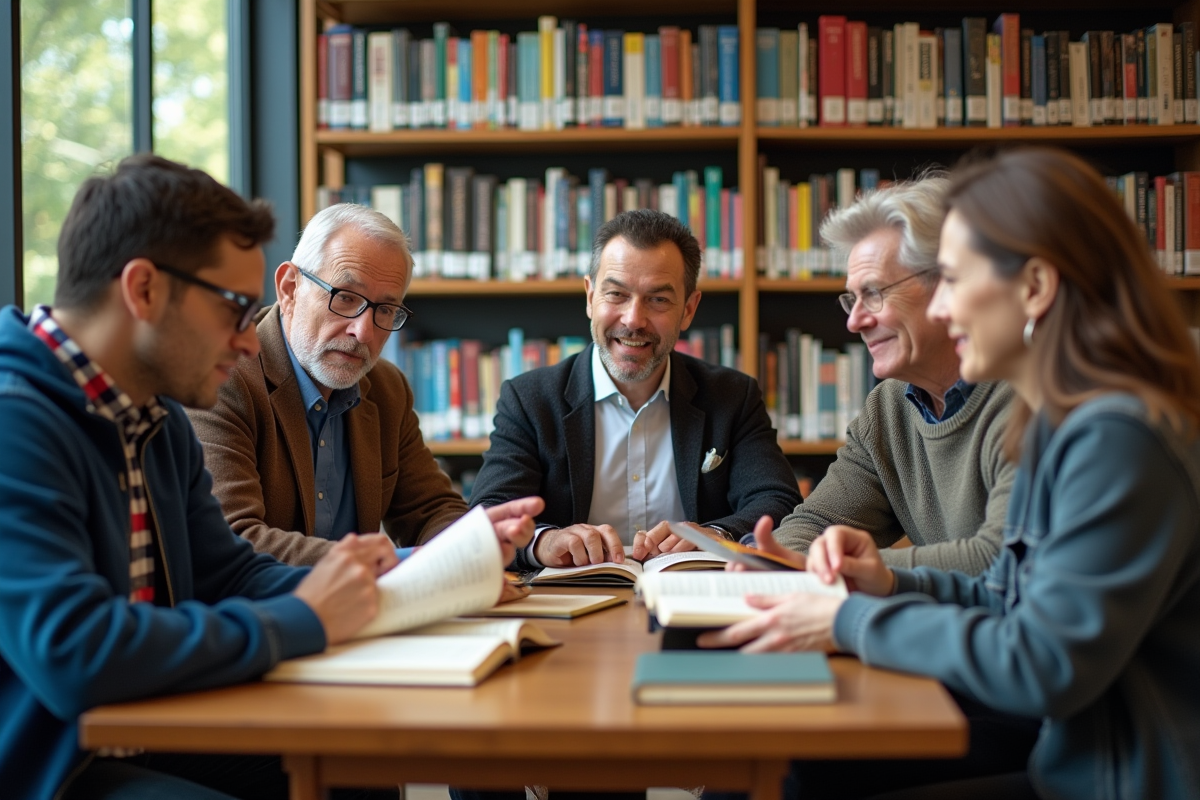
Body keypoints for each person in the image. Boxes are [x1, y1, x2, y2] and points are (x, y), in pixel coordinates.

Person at [0, 154, 538, 800]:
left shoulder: (155, 418)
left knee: (355, 770)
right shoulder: (16, 422)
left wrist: (405, 583)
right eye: (234, 310)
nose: (251, 340)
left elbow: (231, 571)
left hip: (154, 723)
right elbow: (75, 653)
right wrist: (305, 619)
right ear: (143, 290)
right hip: (53, 763)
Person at [702, 148, 1200, 800]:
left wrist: (849, 619)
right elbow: (1009, 595)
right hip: (1073, 764)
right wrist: (881, 582)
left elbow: (1042, 660)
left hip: (1119, 781)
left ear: (1035, 288)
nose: (945, 310)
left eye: (957, 281)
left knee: (790, 775)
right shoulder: (1063, 420)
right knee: (775, 769)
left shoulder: (1118, 435)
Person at [470, 208, 800, 569]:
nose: (633, 320)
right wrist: (544, 542)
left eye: (658, 299)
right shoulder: (530, 400)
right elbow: (490, 514)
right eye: (616, 295)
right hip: (571, 603)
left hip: (693, 599)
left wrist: (718, 535)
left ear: (688, 309)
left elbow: (777, 500)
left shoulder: (733, 396)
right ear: (589, 296)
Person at [753, 176, 1016, 575]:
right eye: (851, 299)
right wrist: (786, 562)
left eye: (874, 293)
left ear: (945, 284)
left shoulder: (1027, 394)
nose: (855, 322)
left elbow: (1001, 558)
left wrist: (857, 566)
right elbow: (811, 527)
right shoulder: (890, 406)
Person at [187, 203, 468, 567]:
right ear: (290, 288)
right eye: (346, 298)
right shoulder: (222, 377)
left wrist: (477, 547)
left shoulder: (387, 388)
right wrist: (387, 564)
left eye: (384, 310)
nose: (363, 331)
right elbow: (232, 540)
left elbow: (432, 509)